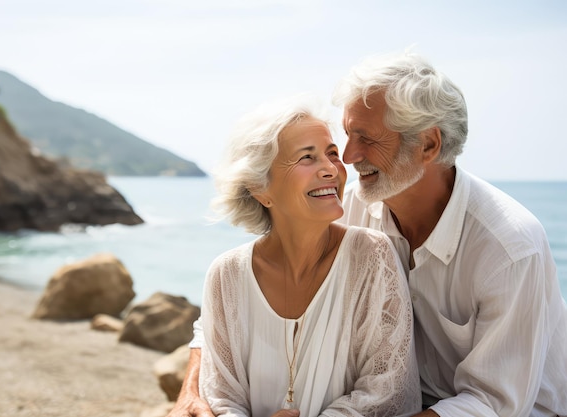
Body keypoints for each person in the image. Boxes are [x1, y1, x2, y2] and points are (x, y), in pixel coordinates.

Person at [169, 51, 567, 417]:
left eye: (367, 138)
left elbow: (494, 403)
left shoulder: (509, 247)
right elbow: (230, 304)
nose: (347, 156)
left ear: (428, 144)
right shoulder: (352, 203)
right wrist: (192, 388)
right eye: (347, 134)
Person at [197, 95, 421, 417]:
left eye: (332, 154)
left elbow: (386, 390)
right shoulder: (226, 274)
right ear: (261, 189)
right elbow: (220, 395)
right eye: (307, 158)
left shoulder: (372, 256)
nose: (331, 169)